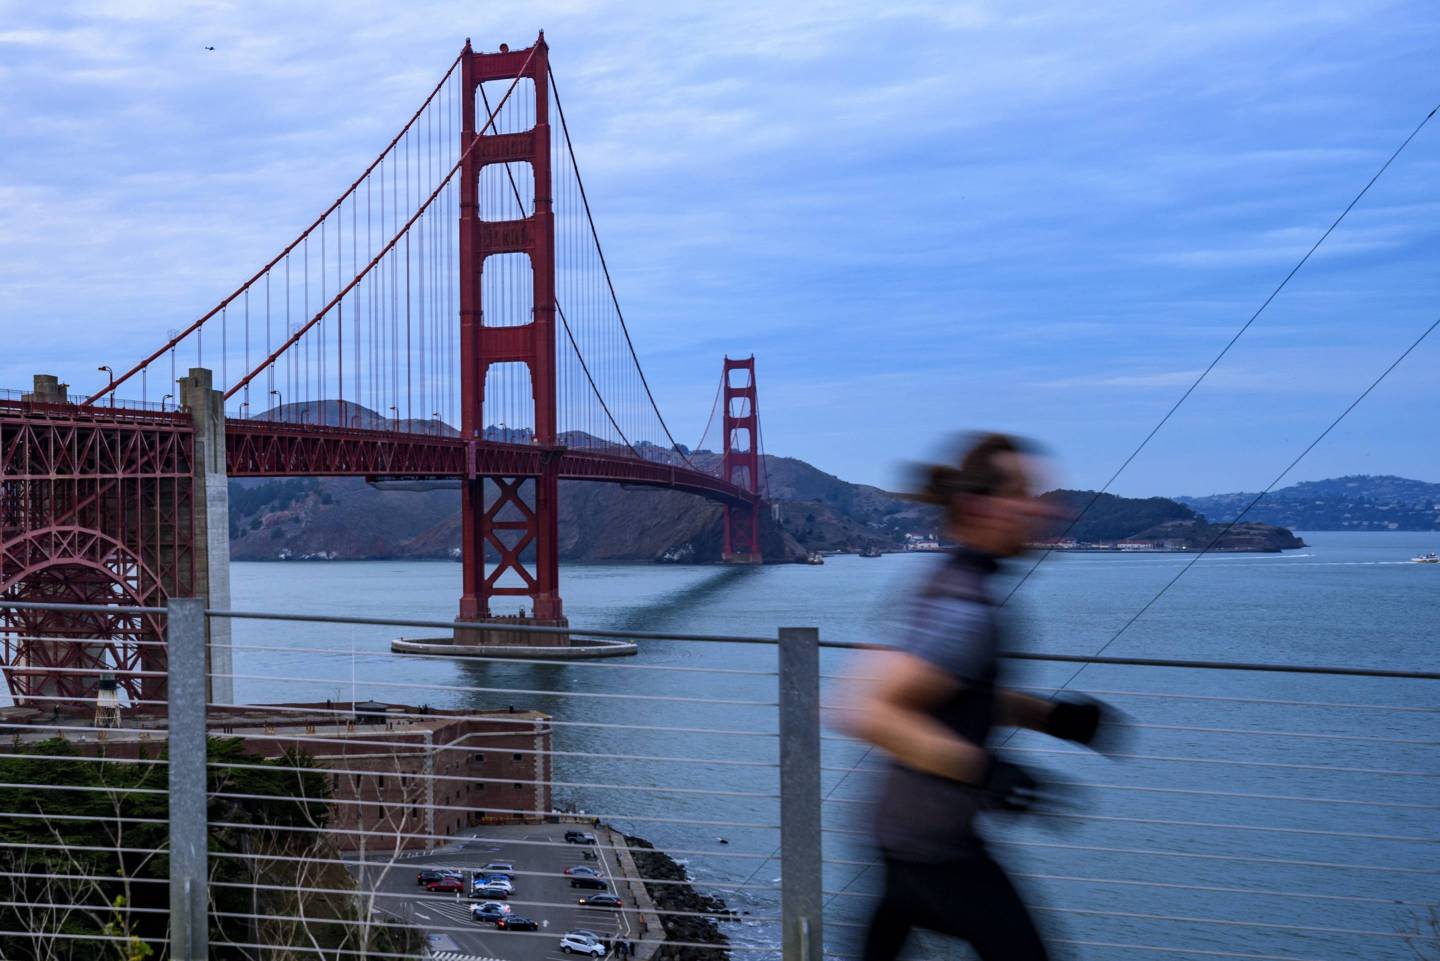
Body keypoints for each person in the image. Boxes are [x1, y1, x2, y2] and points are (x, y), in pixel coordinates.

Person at [840, 433, 1122, 961]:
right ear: (977, 506)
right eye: (1021, 494)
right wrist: (986, 771)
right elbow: (869, 708)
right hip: (934, 847)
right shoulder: (965, 608)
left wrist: (1051, 717)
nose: (1045, 509)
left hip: (903, 833)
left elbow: (948, 687)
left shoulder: (950, 579)